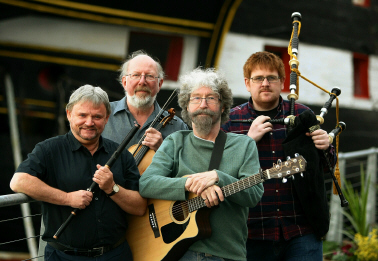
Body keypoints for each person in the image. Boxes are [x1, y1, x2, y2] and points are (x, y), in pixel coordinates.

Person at [138, 67, 264, 261]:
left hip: (226, 254)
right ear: (187, 106)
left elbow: (254, 196)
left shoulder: (243, 145)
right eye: (196, 98)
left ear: (223, 106)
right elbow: (146, 184)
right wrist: (190, 185)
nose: (203, 104)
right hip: (178, 253)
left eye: (211, 98)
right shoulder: (175, 141)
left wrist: (217, 177)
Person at [221, 51, 336, 261]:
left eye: (271, 78)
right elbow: (219, 172)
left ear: (282, 82)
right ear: (247, 83)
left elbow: (326, 169)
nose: (265, 83)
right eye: (258, 78)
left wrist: (325, 146)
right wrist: (248, 140)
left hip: (301, 230)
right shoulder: (231, 122)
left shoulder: (302, 116)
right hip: (250, 233)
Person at [10, 85, 147, 261]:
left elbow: (139, 207)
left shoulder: (122, 155)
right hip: (63, 256)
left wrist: (112, 188)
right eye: (82, 115)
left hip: (114, 255)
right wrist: (67, 198)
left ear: (106, 118)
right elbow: (18, 181)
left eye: (97, 116)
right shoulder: (49, 149)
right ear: (69, 114)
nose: (89, 122)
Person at [102, 50, 188, 151]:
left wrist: (163, 150)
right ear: (125, 82)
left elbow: (183, 166)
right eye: (136, 75)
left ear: (159, 84)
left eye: (149, 76)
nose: (142, 82)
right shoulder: (102, 114)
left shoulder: (178, 127)